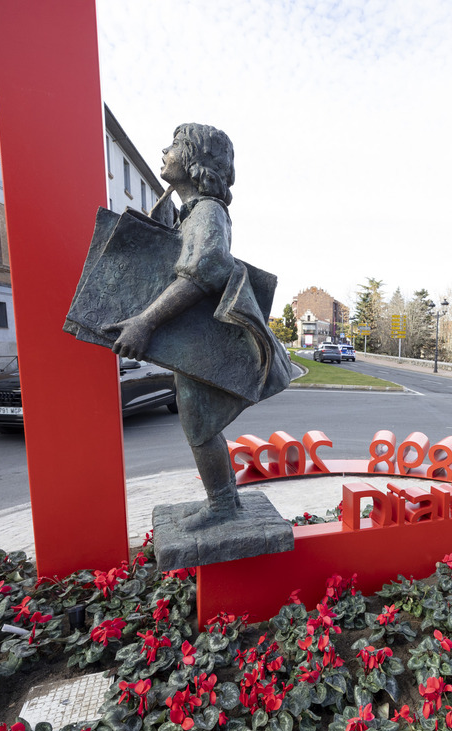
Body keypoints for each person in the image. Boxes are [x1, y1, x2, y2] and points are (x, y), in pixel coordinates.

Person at [104, 124, 290, 531]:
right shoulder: (194, 212)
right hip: (196, 341)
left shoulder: (207, 211)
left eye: (173, 145)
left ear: (194, 161)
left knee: (198, 425)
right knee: (198, 424)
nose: (164, 151)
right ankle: (223, 502)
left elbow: (203, 269)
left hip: (206, 341)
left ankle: (223, 506)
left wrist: (145, 322)